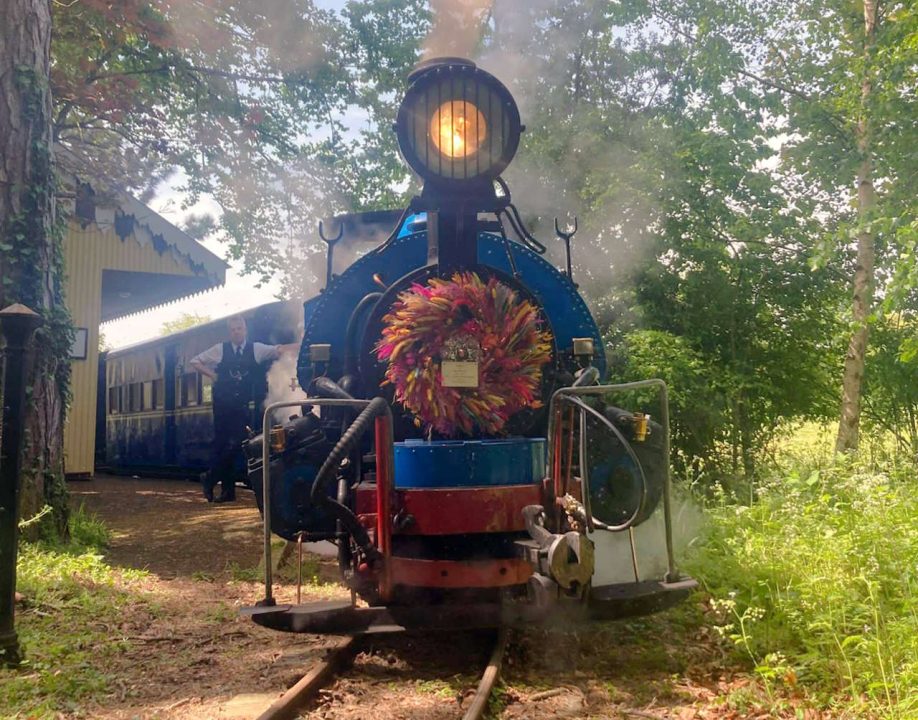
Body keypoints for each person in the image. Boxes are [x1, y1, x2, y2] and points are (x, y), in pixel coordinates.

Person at [190, 315, 294, 502]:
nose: (236, 332)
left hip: (242, 404)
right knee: (223, 445)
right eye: (233, 329)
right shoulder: (219, 350)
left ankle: (210, 477)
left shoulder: (256, 349)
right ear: (230, 332)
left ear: (245, 329)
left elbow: (277, 351)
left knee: (237, 443)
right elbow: (195, 361)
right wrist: (213, 375)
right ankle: (227, 492)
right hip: (222, 403)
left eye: (239, 328)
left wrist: (299, 345)